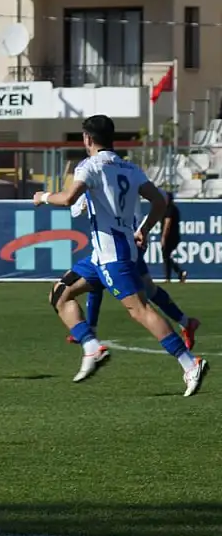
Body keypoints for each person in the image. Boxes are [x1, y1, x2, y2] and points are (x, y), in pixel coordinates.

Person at [35, 114, 207, 395]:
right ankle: (92, 348)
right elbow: (160, 201)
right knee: (59, 293)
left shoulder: (89, 166)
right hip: (104, 253)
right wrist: (146, 229)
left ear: (88, 138)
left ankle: (189, 364)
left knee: (140, 310)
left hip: (113, 255)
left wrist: (42, 197)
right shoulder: (130, 168)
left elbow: (68, 199)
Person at [61, 190, 199, 349]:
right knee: (143, 289)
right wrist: (84, 203)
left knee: (143, 295)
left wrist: (144, 228)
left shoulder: (122, 174)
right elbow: (76, 209)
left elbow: (160, 197)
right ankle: (186, 323)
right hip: (113, 244)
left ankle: (186, 343)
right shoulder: (98, 177)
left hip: (127, 243)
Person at [162, 191, 186, 283]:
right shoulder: (173, 208)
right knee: (167, 256)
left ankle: (170, 276)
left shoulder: (169, 209)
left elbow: (167, 223)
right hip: (174, 236)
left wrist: (163, 237)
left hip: (170, 237)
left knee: (166, 256)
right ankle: (178, 273)